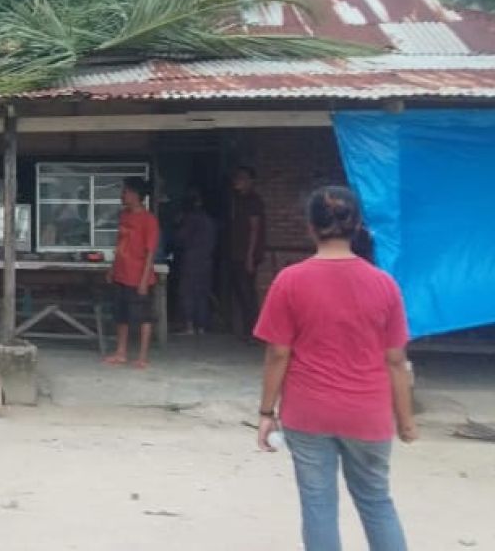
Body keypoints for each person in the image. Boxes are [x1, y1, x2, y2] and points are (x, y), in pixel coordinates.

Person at [254, 186, 416, 551]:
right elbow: (395, 360)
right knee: (377, 502)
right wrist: (405, 421)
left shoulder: (289, 281)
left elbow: (278, 354)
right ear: (357, 224)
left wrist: (266, 412)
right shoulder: (384, 284)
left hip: (308, 413)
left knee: (318, 507)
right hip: (368, 415)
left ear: (310, 226)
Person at [105, 177, 161, 368]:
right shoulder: (124, 216)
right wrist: (112, 268)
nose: (122, 195)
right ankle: (121, 352)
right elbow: (119, 244)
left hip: (138, 276)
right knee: (121, 315)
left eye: (125, 191)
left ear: (136, 195)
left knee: (144, 316)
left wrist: (144, 280)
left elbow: (150, 251)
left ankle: (143, 356)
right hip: (122, 272)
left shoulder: (149, 220)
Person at [227, 166, 266, 339]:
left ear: (251, 181)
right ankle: (245, 330)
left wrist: (250, 256)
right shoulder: (237, 200)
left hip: (247, 254)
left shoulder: (253, 201)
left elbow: (254, 229)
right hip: (236, 252)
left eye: (242, 178)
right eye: (237, 178)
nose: (238, 182)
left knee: (247, 291)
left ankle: (253, 331)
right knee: (239, 291)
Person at [175, 189, 217, 335]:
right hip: (206, 260)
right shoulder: (209, 220)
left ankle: (189, 325)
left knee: (187, 292)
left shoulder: (189, 219)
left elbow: (180, 239)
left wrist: (178, 224)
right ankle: (202, 326)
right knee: (202, 293)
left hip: (191, 260)